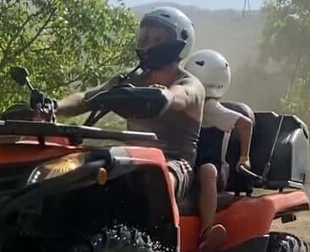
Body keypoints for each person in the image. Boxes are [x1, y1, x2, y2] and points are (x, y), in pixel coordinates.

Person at [55, 6, 203, 203]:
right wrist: (53, 106)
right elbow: (86, 98)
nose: (149, 45)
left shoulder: (189, 83)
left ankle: (158, 233)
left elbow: (181, 95)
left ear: (178, 44)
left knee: (158, 178)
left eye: (157, 40)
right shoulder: (130, 79)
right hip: (131, 156)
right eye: (144, 39)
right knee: (76, 168)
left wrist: (165, 95)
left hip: (173, 162)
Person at [183, 49, 253, 252]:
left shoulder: (212, 108)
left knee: (207, 171)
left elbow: (245, 124)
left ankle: (206, 233)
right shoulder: (185, 101)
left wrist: (244, 157)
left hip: (214, 169)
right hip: (186, 164)